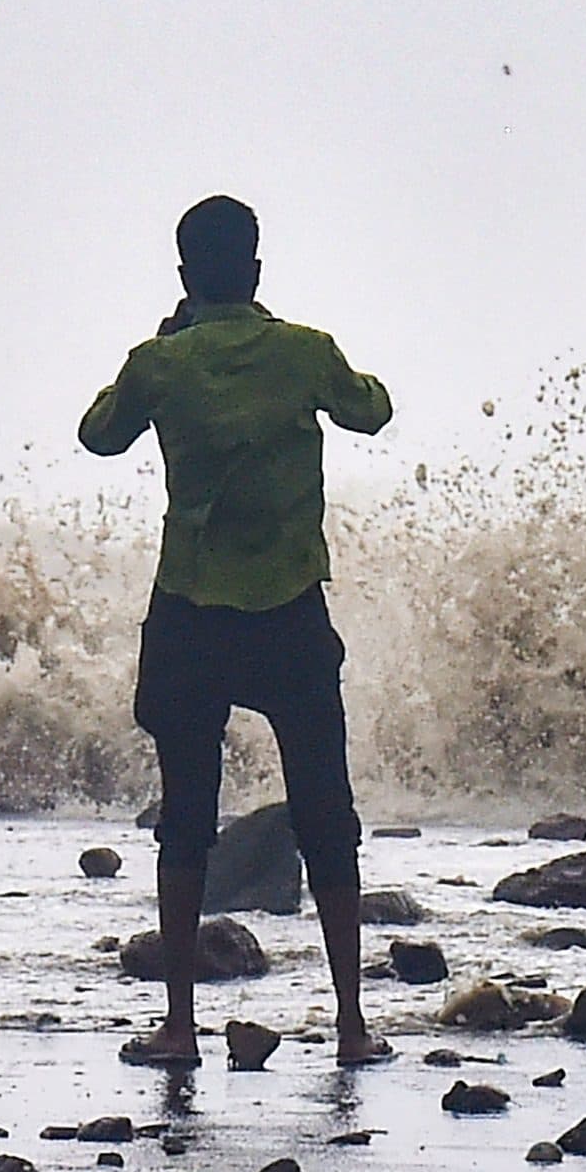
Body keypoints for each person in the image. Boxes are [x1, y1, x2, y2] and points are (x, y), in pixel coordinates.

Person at [79, 195, 395, 1067]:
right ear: (256, 270)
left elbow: (98, 436)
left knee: (187, 819)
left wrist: (168, 340)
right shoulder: (303, 353)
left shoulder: (160, 363)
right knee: (326, 813)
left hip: (191, 612)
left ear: (185, 278)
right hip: (290, 611)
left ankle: (180, 1028)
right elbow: (374, 410)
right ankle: (353, 1026)